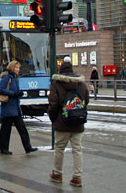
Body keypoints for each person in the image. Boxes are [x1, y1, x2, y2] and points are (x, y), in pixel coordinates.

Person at [48, 57, 89, 187]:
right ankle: (77, 177)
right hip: (78, 122)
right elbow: (86, 101)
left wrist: (54, 119)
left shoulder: (56, 84)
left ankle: (57, 174)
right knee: (77, 149)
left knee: (59, 149)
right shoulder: (81, 85)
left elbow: (53, 105)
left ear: (61, 71)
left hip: (62, 123)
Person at [0, 60, 38, 155]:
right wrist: (14, 94)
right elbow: (0, 89)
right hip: (8, 108)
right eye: (16, 68)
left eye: (18, 68)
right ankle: (3, 148)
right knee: (6, 130)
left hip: (15, 108)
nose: (18, 70)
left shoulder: (15, 78)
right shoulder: (7, 78)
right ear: (12, 68)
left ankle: (28, 147)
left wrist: (19, 94)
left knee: (22, 128)